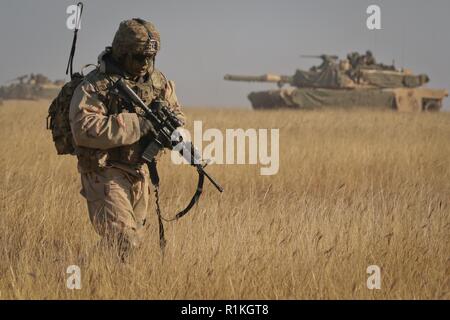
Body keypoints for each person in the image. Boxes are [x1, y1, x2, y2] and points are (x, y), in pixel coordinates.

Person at [69, 18, 184, 259]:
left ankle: (78, 268)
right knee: (125, 242)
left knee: (125, 245)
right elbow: (84, 128)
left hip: (139, 172)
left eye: (150, 58)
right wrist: (140, 124)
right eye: (139, 57)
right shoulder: (95, 86)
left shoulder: (158, 82)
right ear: (122, 52)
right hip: (105, 170)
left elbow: (177, 114)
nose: (145, 64)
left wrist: (173, 131)